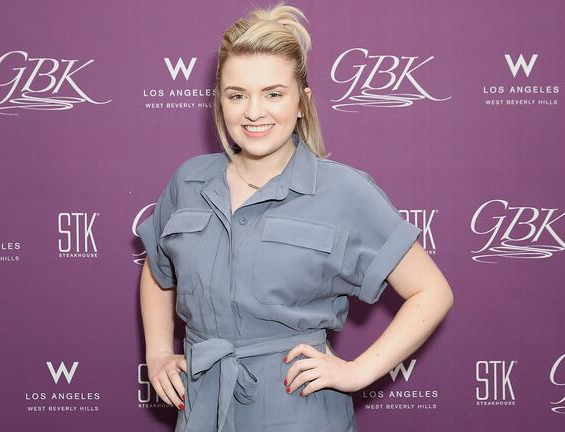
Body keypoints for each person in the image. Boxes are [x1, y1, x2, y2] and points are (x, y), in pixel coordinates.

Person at [137, 2, 453, 431]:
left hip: (297, 410)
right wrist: (157, 352)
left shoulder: (345, 191)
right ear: (220, 101)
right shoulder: (188, 181)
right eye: (237, 95)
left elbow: (431, 291)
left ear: (302, 102)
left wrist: (359, 370)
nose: (253, 112)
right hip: (202, 407)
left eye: (272, 93)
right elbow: (160, 271)